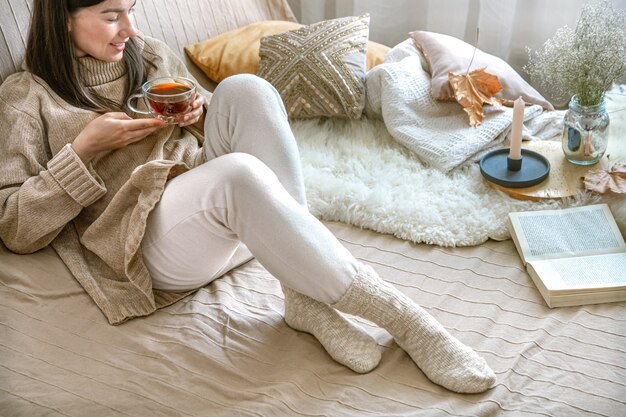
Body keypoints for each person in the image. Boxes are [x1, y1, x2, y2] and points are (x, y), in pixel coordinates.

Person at [0, 0, 495, 394]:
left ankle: (303, 297)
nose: (128, 27)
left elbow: (216, 121)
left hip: (230, 223)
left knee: (246, 90)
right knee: (238, 174)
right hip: (145, 248)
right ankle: (406, 320)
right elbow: (15, 227)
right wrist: (83, 151)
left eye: (133, 9)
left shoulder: (146, 54)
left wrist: (199, 114)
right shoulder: (27, 97)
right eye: (111, 16)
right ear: (63, 19)